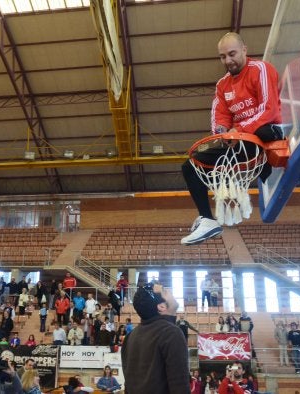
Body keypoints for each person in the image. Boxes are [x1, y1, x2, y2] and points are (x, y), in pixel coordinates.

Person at [181, 32, 283, 245]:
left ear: (244, 49)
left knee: (264, 130)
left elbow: (269, 109)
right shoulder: (222, 85)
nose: (227, 61)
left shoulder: (261, 69)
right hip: (241, 142)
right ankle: (208, 221)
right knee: (190, 166)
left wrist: (240, 130)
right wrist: (222, 133)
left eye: (232, 54)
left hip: (265, 134)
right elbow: (220, 117)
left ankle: (269, 166)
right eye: (222, 56)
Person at [121, 283, 189, 393]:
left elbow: (128, 387)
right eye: (164, 291)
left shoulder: (130, 337)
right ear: (161, 306)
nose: (168, 290)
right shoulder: (171, 333)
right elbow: (179, 387)